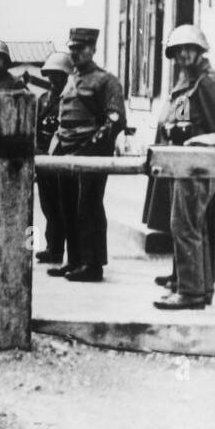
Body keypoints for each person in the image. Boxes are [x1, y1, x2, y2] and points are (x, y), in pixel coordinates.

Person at [151, 26, 215, 310]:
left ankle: (190, 293)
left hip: (201, 164)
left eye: (189, 49)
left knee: (185, 224)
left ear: (200, 51)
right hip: (183, 163)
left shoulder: (210, 81)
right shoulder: (187, 81)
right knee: (188, 224)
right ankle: (195, 284)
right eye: (177, 51)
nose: (183, 55)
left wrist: (200, 139)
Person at [48, 27, 125, 283]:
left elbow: (115, 119)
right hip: (65, 151)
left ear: (92, 49)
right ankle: (75, 260)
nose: (76, 53)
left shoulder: (106, 81)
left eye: (81, 49)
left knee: (88, 207)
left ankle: (93, 265)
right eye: (72, 49)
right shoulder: (71, 79)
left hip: (90, 153)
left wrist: (93, 147)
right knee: (67, 206)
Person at [34, 52, 72, 265]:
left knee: (61, 206)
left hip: (61, 156)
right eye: (51, 75)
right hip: (43, 158)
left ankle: (59, 250)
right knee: (47, 206)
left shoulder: (70, 99)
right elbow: (36, 128)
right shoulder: (43, 99)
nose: (55, 80)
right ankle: (51, 247)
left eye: (59, 75)